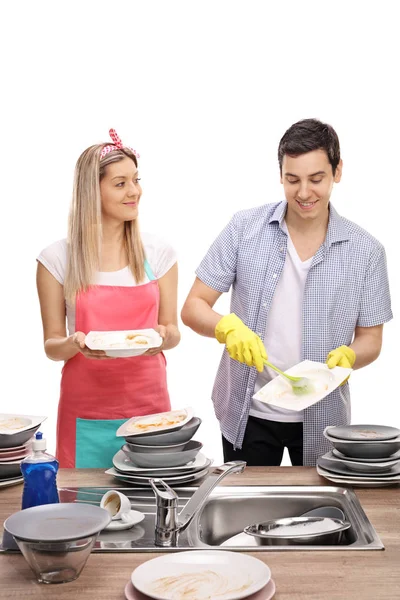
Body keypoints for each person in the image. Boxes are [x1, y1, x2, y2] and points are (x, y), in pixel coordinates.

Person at [181, 118, 392, 467]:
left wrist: (351, 356)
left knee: (317, 517)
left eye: (316, 179)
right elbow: (193, 306)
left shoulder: (366, 251)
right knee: (246, 513)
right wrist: (226, 328)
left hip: (323, 417)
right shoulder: (244, 228)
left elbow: (371, 338)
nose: (304, 192)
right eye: (293, 179)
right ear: (280, 174)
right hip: (246, 411)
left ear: (337, 171)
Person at [37, 129, 180, 468]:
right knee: (86, 514)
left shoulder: (159, 254)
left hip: (150, 412)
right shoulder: (57, 259)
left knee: (149, 511)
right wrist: (75, 343)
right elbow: (52, 345)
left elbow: (172, 331)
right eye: (120, 184)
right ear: (92, 191)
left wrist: (165, 337)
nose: (135, 192)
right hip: (86, 411)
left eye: (136, 180)